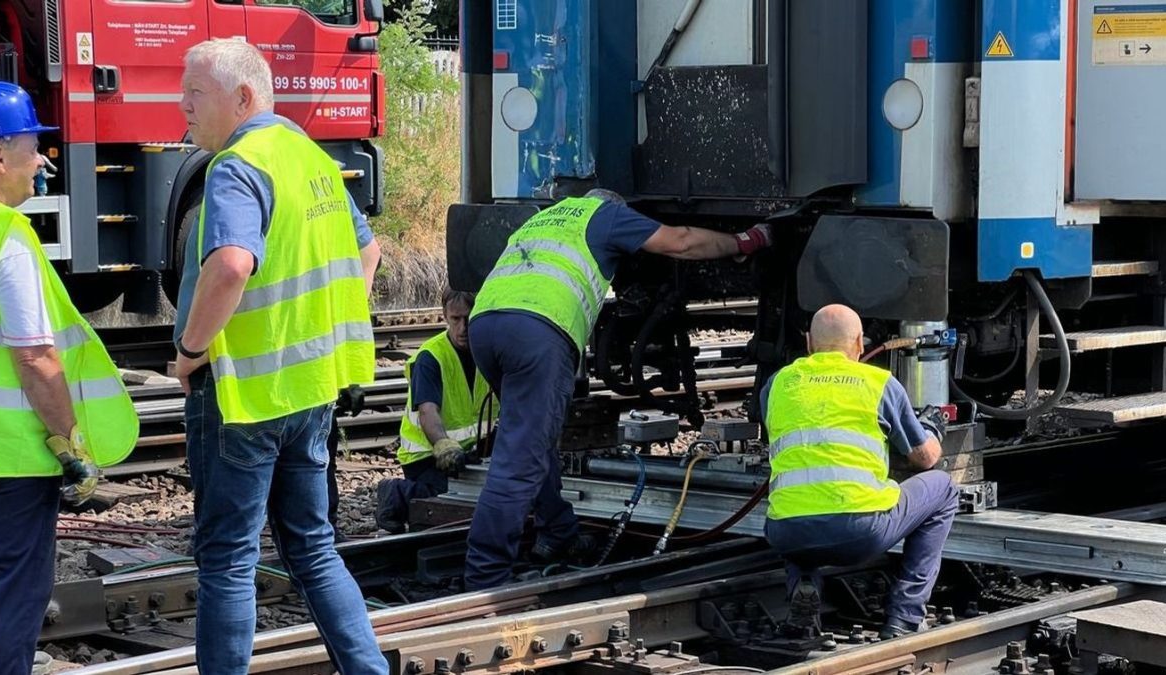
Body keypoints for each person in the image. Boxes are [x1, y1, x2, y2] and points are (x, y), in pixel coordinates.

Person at [171, 39, 387, 673]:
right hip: (311, 391)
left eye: (194, 93)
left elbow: (232, 265)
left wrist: (190, 350)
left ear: (242, 98)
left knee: (228, 557)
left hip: (243, 395)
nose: (182, 105)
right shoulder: (308, 156)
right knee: (314, 547)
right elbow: (366, 253)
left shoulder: (238, 166)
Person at [464, 188, 773, 589]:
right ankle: (485, 576)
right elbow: (680, 242)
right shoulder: (607, 214)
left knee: (531, 440)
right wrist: (744, 242)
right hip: (537, 331)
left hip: (486, 325)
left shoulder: (550, 216)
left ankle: (558, 531)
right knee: (518, 461)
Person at [0, 81, 138, 674]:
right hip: (11, 455)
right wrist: (73, 444)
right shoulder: (8, 238)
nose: (43, 160)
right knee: (13, 587)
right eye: (32, 148)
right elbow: (35, 358)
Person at [760, 304, 958, 639]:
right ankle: (905, 617)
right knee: (943, 489)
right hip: (860, 532)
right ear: (860, 344)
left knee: (801, 499)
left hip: (785, 534)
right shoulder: (877, 382)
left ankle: (803, 598)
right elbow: (924, 459)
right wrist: (933, 429)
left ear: (809, 342)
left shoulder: (777, 383)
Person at [377, 288, 498, 534]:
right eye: (456, 319)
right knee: (457, 499)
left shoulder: (488, 352)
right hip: (427, 457)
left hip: (470, 451)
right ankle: (397, 493)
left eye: (469, 319)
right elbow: (428, 411)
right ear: (445, 316)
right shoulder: (430, 358)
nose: (463, 328)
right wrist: (443, 444)